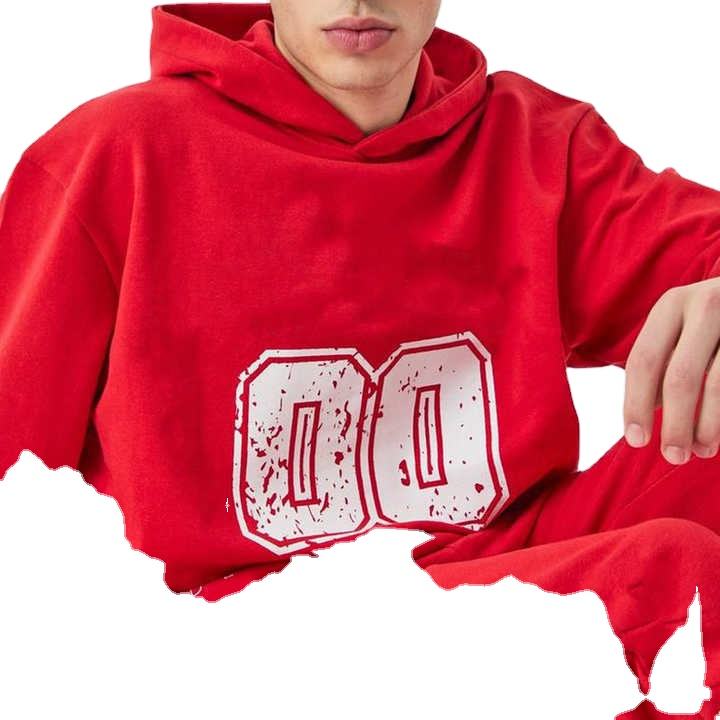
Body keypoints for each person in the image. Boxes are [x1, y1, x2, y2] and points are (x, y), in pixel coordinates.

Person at [1, 2, 719, 717]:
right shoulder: (116, 153)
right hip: (240, 639)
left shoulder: (534, 144)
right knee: (671, 579)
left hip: (500, 561)